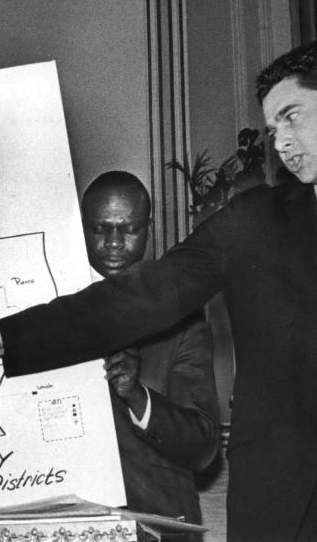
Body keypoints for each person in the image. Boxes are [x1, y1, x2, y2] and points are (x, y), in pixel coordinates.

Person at [0, 41, 317, 541]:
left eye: (291, 116)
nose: (281, 142)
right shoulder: (253, 222)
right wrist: (9, 334)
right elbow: (142, 295)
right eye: (271, 130)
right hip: (284, 513)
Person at [82, 171, 219, 532]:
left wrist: (138, 396)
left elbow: (204, 448)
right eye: (99, 229)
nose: (114, 243)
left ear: (149, 228)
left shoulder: (182, 315)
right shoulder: (46, 312)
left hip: (158, 527)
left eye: (128, 229)